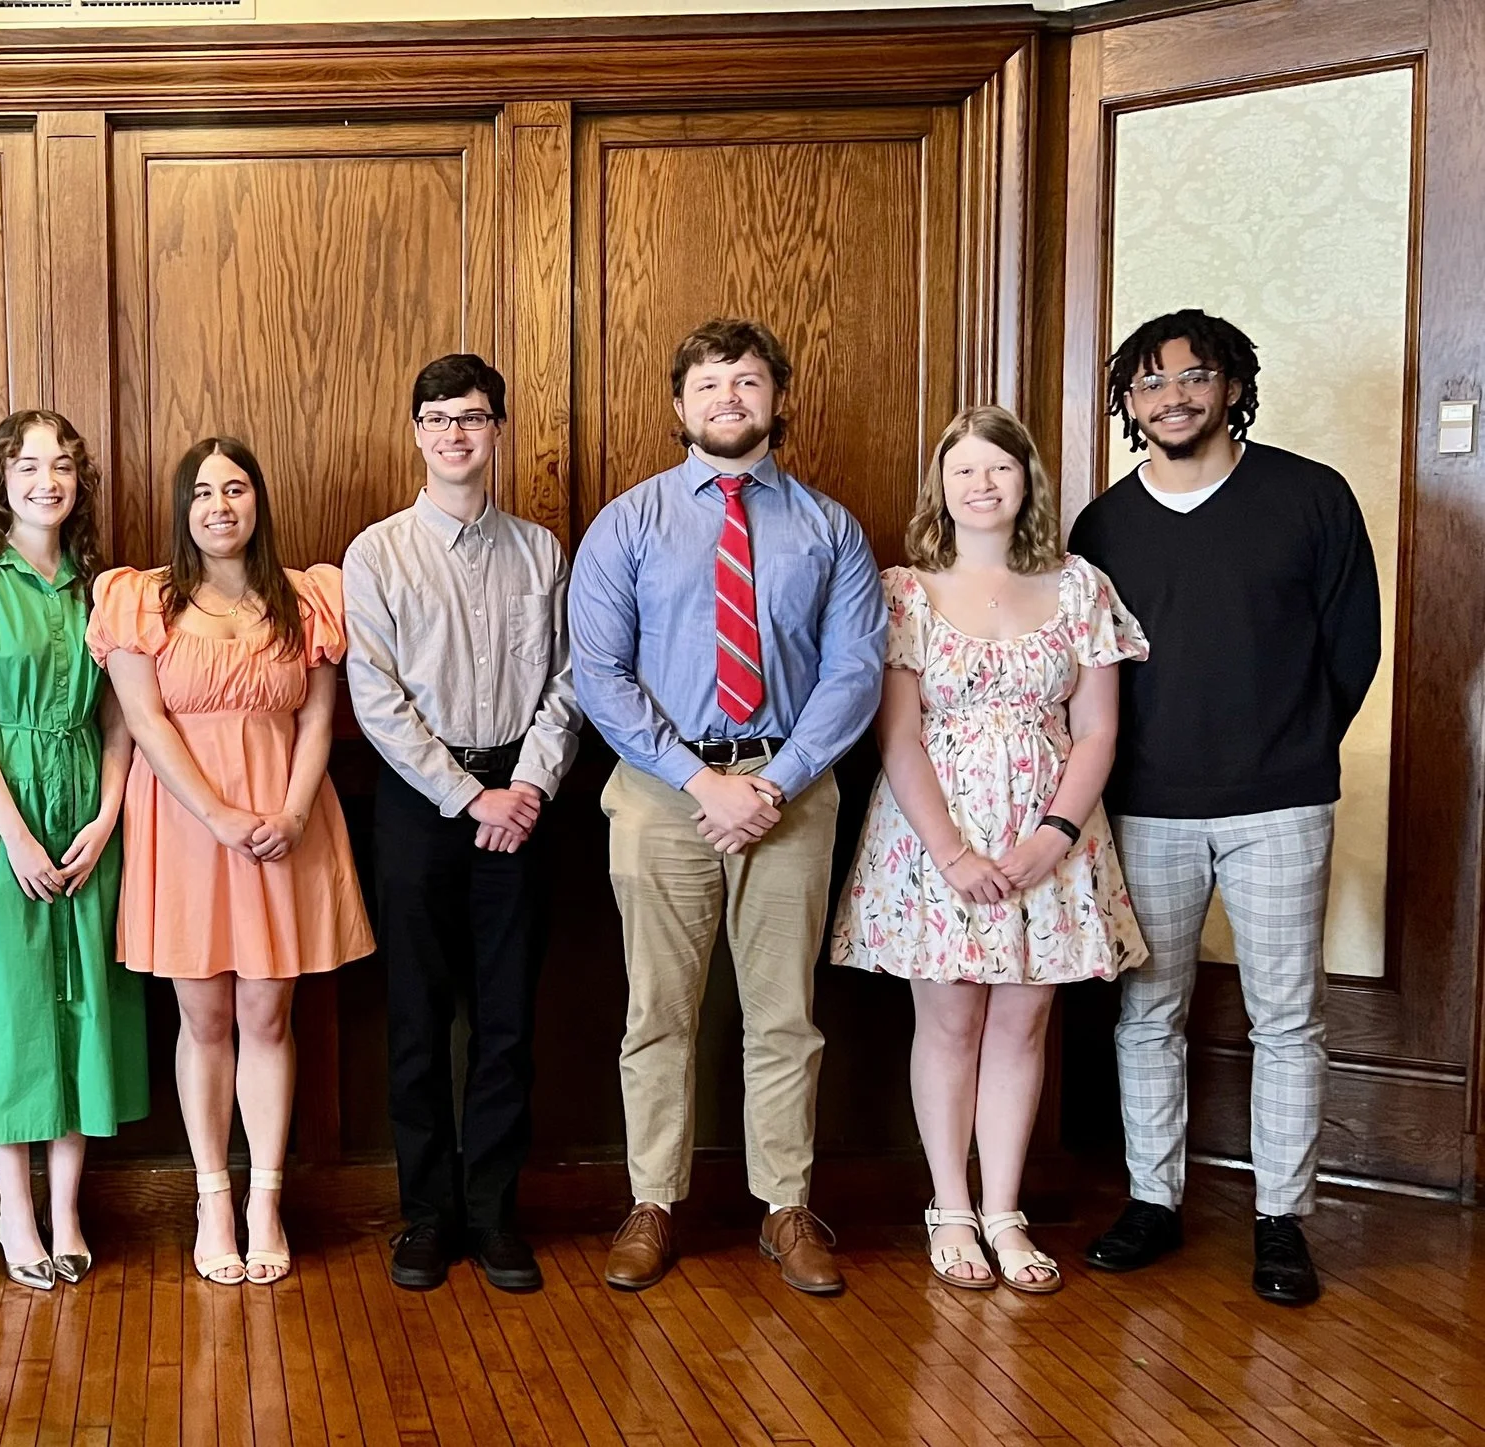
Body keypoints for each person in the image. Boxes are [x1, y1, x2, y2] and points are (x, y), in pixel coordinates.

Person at [569, 318, 885, 1296]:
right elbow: (600, 673)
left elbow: (855, 672)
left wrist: (773, 782)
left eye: (746, 382)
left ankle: (784, 1206)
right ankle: (652, 1202)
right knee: (656, 1012)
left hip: (790, 795)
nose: (728, 399)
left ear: (775, 398)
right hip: (665, 797)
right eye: (709, 384)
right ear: (679, 405)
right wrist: (701, 782)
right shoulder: (627, 523)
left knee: (784, 1016)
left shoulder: (830, 529)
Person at [1071, 310, 1380, 1307]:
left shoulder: (1311, 498)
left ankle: (1280, 1219)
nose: (1172, 398)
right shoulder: (1101, 528)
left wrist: (1288, 744)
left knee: (1286, 1018)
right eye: (1150, 384)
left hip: (1281, 801)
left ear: (1234, 386)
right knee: (1146, 1012)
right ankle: (1151, 1200)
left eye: (1194, 377)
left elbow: (1352, 647)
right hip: (1148, 806)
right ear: (1127, 402)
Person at [828, 406, 1149, 1294]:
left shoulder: (1082, 587)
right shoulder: (905, 592)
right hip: (939, 842)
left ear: (1025, 482)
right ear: (942, 484)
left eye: (998, 469)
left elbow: (1097, 732)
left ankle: (1005, 1211)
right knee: (952, 1019)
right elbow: (895, 739)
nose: (981, 484)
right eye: (964, 470)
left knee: (1023, 1022)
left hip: (1050, 834)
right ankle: (950, 1208)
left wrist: (1053, 835)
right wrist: (954, 854)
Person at [91, 437, 372, 1288]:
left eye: (236, 488)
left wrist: (287, 811)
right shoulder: (142, 599)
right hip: (186, 824)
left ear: (258, 502)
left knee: (268, 1017)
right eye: (204, 491)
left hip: (284, 818)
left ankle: (266, 1199)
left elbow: (321, 719)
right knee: (204, 1019)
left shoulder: (308, 599)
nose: (220, 504)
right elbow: (142, 719)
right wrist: (215, 814)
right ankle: (213, 1195)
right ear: (183, 508)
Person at [344, 354, 584, 1295]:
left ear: (497, 430)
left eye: (473, 418)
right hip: (421, 804)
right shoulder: (377, 554)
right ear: (416, 431)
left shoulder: (540, 552)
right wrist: (465, 795)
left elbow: (567, 681)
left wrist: (522, 786)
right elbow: (376, 694)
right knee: (416, 1022)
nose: (455, 434)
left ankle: (493, 1213)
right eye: (438, 418)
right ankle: (427, 1216)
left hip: (521, 805)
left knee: (507, 1023)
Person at [0, 409, 144, 1292]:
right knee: (5, 1005)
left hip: (84, 803)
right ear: (0, 481)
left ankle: (69, 1207)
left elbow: (119, 719)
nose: (45, 480)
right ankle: (14, 1210)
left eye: (61, 465)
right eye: (27, 465)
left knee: (81, 1001)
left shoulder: (103, 588)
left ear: (79, 480)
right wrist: (14, 834)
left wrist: (106, 815)